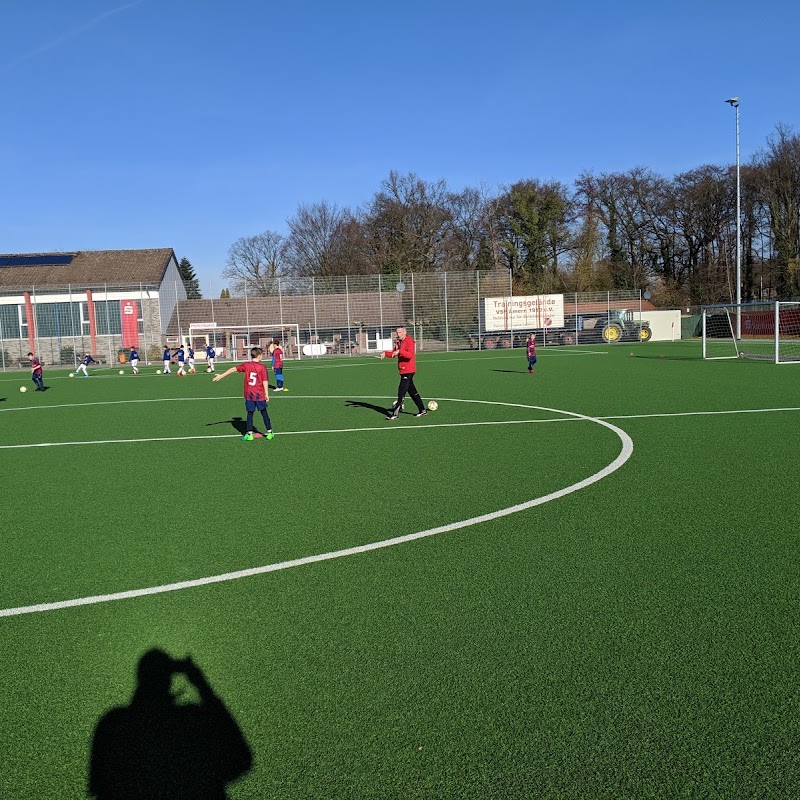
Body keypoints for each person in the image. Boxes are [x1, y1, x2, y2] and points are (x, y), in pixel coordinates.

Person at [89, 649, 252, 800]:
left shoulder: (114, 725)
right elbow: (240, 758)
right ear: (169, 679)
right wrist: (202, 686)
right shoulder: (192, 722)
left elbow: (101, 787)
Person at [213, 347, 274, 441]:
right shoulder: (262, 367)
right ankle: (270, 432)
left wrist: (221, 375)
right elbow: (265, 381)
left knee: (250, 414)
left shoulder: (246, 365)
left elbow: (233, 369)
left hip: (249, 394)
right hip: (259, 394)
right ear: (259, 356)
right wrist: (267, 394)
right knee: (264, 413)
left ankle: (249, 434)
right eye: (262, 355)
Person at [381, 326, 427, 420]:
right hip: (402, 370)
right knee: (412, 391)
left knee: (401, 391)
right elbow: (393, 353)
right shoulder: (398, 342)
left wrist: (400, 351)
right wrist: (385, 353)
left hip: (409, 370)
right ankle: (422, 410)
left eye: (400, 332)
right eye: (397, 333)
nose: (398, 334)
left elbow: (410, 355)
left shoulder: (409, 341)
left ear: (405, 332)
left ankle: (395, 414)